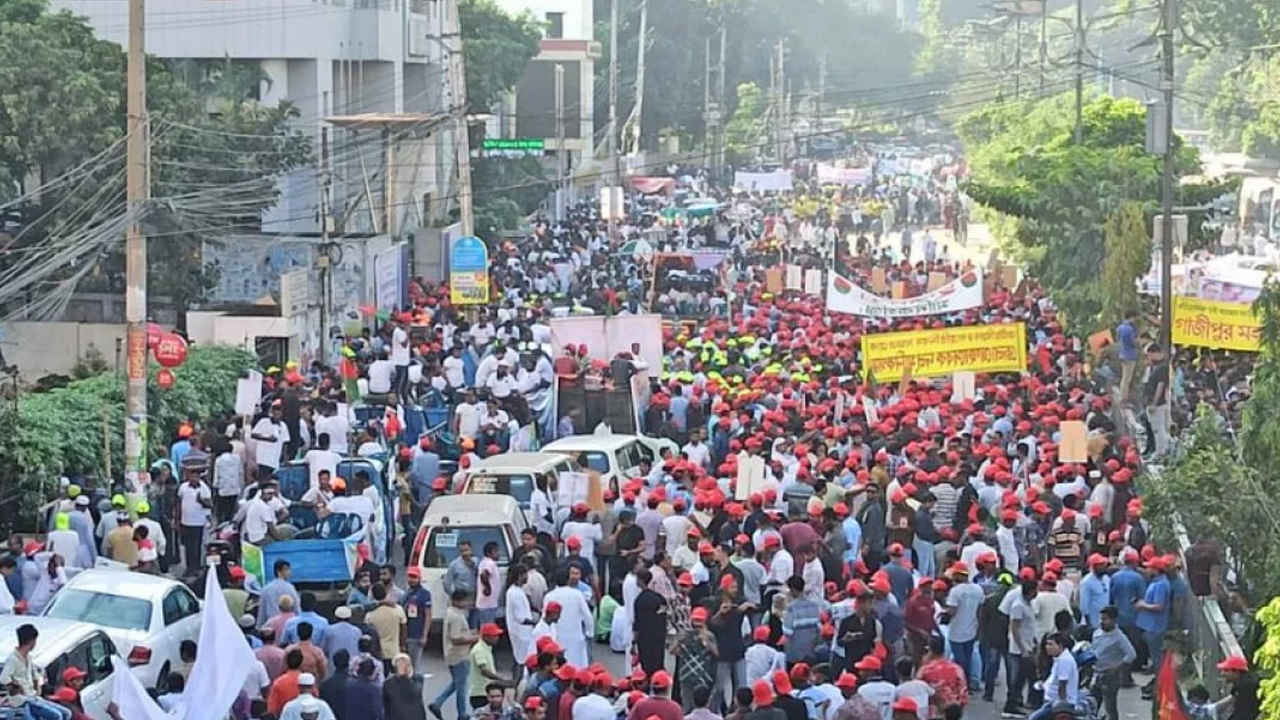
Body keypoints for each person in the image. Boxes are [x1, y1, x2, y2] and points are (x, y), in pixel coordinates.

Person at [0, 623, 70, 720]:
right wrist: (16, 688)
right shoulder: (13, 659)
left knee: (66, 713)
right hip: (22, 700)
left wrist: (37, 686)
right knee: (56, 716)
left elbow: (35, 674)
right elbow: (4, 679)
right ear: (31, 641)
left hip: (33, 697)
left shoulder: (28, 658)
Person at [430, 589, 478, 720]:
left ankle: (438, 702)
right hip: (459, 655)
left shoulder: (452, 612)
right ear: (457, 601)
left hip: (452, 654)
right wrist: (473, 639)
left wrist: (470, 633)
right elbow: (455, 638)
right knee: (461, 687)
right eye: (465, 600)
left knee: (457, 683)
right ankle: (461, 714)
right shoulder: (456, 616)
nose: (468, 602)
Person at [1091, 606, 1136, 720]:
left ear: (1113, 620)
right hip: (1095, 674)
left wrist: (1116, 668)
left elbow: (1131, 654)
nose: (1102, 622)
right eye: (1101, 619)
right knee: (1092, 704)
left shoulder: (1119, 637)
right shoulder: (1096, 633)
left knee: (1110, 708)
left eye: (1105, 619)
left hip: (1109, 677)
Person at [1028, 634, 1078, 720]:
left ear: (1060, 646)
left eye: (1051, 644)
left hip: (1057, 704)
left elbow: (1062, 685)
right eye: (1047, 644)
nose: (1047, 647)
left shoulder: (1065, 660)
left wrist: (1062, 708)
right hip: (1051, 702)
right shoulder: (1059, 658)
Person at [634, 568, 669, 675]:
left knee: (647, 665)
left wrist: (633, 641)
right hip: (659, 636)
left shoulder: (639, 600)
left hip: (645, 638)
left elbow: (638, 622)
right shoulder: (659, 598)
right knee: (658, 663)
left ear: (640, 581)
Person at [469, 623, 507, 710]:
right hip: (481, 693)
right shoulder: (480, 650)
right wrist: (499, 679)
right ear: (486, 637)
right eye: (494, 636)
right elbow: (484, 670)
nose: (497, 638)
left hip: (485, 691)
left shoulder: (486, 648)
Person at [403, 567, 433, 671]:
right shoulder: (406, 594)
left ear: (419, 578)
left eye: (414, 577)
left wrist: (424, 635)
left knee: (414, 666)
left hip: (416, 634)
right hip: (405, 633)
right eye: (410, 576)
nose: (411, 579)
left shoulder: (424, 594)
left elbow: (428, 615)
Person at [260, 559, 301, 627]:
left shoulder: (266, 589)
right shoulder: (290, 588)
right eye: (286, 570)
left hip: (271, 626)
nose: (289, 572)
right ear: (278, 571)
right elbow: (297, 607)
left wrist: (259, 626)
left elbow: (262, 611)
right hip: (288, 625)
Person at [385, 654, 427, 720]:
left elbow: (415, 692)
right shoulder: (389, 683)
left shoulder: (417, 679)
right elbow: (387, 705)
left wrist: (405, 677)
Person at [1216, 656, 1260, 720]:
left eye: (1226, 670)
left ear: (1237, 672)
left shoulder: (1245, 687)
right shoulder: (1240, 685)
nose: (1222, 673)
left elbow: (1243, 714)